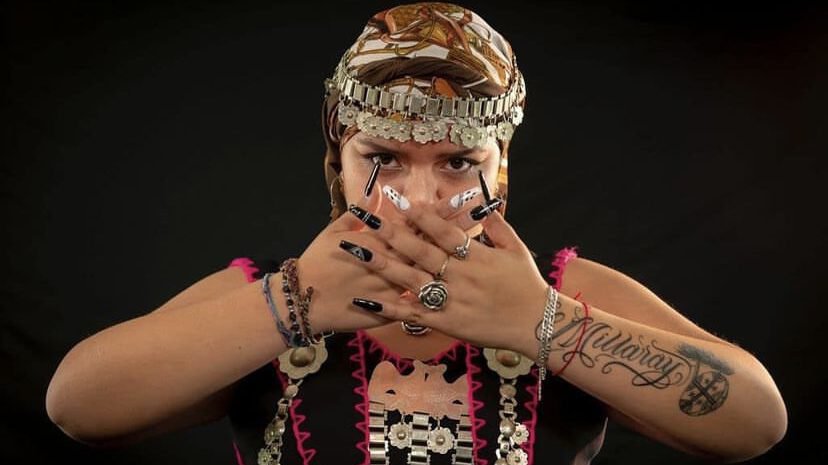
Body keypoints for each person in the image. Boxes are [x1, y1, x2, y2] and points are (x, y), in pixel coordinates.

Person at [45, 3, 787, 464]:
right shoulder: (270, 293)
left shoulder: (560, 290)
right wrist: (294, 306)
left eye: (459, 162)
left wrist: (542, 324)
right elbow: (78, 407)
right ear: (338, 159)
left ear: (500, 167)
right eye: (384, 158)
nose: (420, 198)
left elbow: (756, 421)